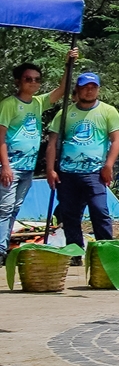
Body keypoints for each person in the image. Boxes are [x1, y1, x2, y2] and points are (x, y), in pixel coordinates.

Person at [47, 70, 119, 251]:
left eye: (93, 87)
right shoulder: (65, 113)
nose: (89, 91)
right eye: (85, 88)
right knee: (70, 214)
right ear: (77, 90)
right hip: (67, 173)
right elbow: (52, 142)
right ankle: (74, 251)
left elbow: (116, 140)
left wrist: (108, 165)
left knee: (99, 211)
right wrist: (50, 169)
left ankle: (106, 250)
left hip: (94, 172)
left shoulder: (107, 111)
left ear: (98, 89)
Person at [1, 54, 70, 245]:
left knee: (14, 208)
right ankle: (0, 248)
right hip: (11, 167)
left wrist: (68, 64)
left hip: (27, 168)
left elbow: (62, 90)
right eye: (28, 79)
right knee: (4, 208)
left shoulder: (38, 103)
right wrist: (5, 166)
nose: (33, 83)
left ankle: (3, 244)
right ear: (18, 81)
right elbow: (0, 136)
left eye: (37, 79)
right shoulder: (8, 105)